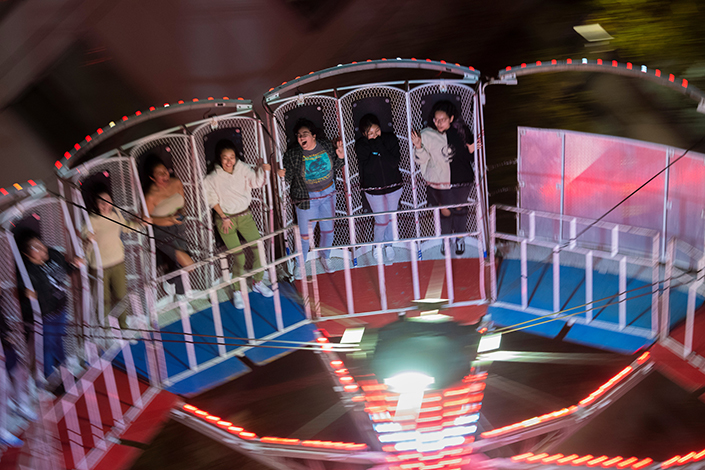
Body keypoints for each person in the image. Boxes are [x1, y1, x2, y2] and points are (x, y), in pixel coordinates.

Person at [204, 139, 274, 308]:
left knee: (259, 251)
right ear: (219, 159)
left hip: (245, 216)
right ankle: (237, 291)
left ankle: (257, 283)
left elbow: (256, 182)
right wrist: (223, 217)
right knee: (239, 256)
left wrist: (264, 171)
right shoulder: (211, 178)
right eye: (225, 158)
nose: (229, 161)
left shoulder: (242, 168)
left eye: (232, 157)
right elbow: (212, 200)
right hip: (225, 219)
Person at [277, 119, 344, 274]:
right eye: (299, 135)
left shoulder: (325, 145)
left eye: (304, 134)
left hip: (328, 194)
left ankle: (325, 257)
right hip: (307, 199)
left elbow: (337, 166)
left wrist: (340, 157)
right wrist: (281, 172)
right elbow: (288, 177)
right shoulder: (293, 154)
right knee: (305, 235)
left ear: (313, 136)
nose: (301, 138)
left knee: (328, 230)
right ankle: (300, 264)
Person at [411, 100, 477, 255]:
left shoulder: (461, 132)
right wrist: (419, 146)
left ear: (451, 118)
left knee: (460, 207)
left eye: (443, 120)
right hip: (440, 181)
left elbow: (470, 156)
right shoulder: (427, 134)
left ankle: (459, 238)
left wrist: (472, 149)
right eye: (436, 120)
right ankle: (446, 239)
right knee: (445, 210)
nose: (439, 123)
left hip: (461, 179)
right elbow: (421, 160)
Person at [16, 230, 80, 379]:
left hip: (60, 308)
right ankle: (49, 376)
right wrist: (26, 294)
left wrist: (74, 265)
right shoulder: (26, 272)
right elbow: (20, 293)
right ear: (27, 254)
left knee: (59, 339)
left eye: (40, 244)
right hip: (45, 315)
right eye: (35, 248)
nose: (41, 249)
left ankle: (63, 368)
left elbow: (65, 269)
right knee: (47, 346)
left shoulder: (53, 255)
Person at [82, 183, 147, 328]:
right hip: (99, 267)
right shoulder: (91, 220)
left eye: (108, 200)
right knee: (103, 300)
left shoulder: (116, 213)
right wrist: (88, 240)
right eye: (101, 202)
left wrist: (141, 224)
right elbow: (83, 246)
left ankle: (123, 325)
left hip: (118, 261)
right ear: (96, 204)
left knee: (121, 295)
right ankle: (106, 330)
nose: (106, 205)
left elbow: (126, 227)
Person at [355, 114, 403, 261]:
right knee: (382, 220)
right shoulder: (361, 145)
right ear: (364, 134)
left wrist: (378, 147)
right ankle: (377, 245)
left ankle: (389, 245)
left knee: (390, 218)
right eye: (371, 133)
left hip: (394, 187)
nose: (375, 136)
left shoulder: (390, 139)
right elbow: (368, 168)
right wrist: (377, 151)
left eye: (377, 131)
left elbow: (394, 162)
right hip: (373, 189)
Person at [143, 156, 195, 292]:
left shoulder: (176, 183)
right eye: (160, 174)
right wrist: (169, 219)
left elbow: (182, 204)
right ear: (152, 178)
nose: (165, 175)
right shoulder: (151, 196)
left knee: (181, 263)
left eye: (165, 171)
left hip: (179, 227)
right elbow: (147, 220)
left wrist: (180, 215)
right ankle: (176, 287)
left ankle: (175, 286)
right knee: (189, 265)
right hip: (162, 232)